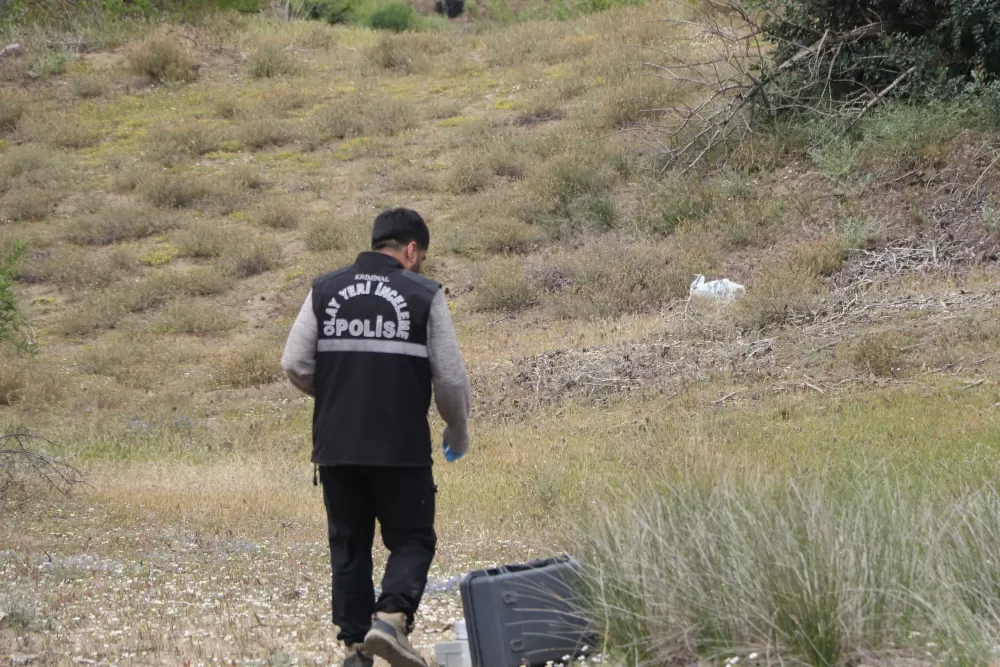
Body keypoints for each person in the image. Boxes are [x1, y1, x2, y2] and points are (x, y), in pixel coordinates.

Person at [281, 208, 472, 667]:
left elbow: (294, 363)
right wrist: (456, 429)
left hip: (337, 445)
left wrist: (337, 395)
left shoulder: (324, 289)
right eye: (421, 255)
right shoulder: (424, 293)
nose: (421, 263)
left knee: (349, 542)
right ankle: (390, 620)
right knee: (412, 538)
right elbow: (449, 379)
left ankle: (354, 650)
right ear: (411, 250)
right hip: (400, 445)